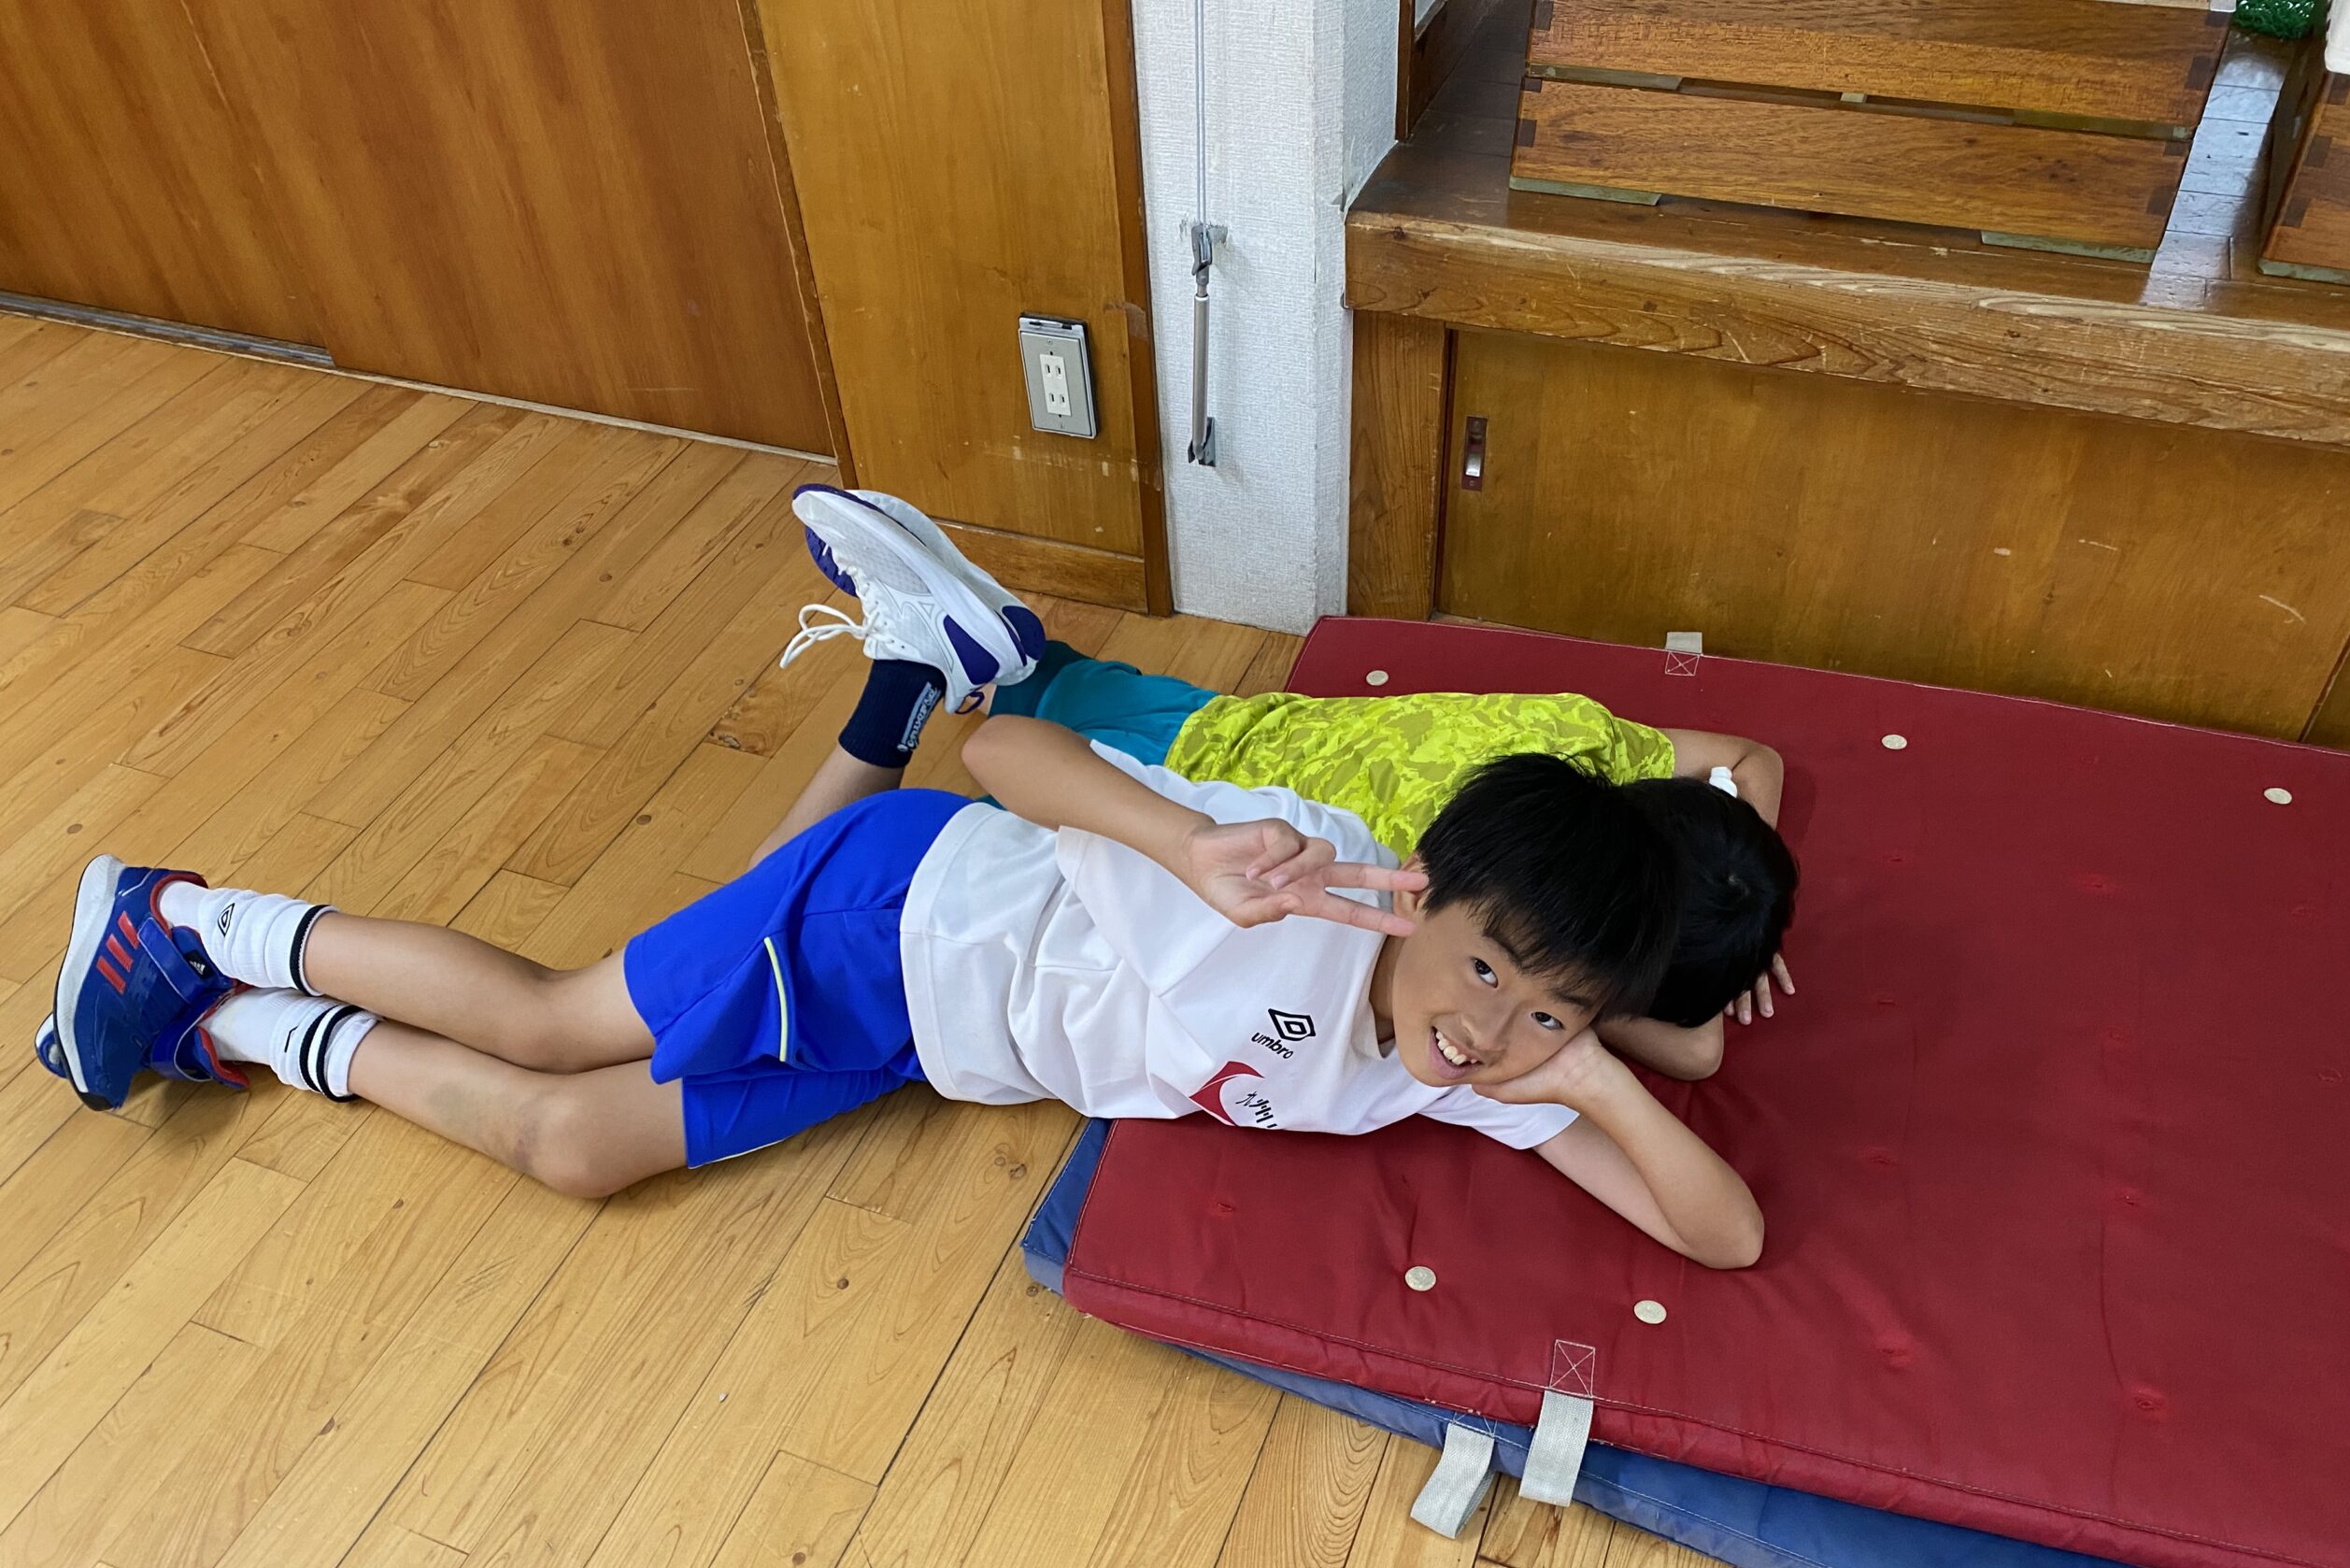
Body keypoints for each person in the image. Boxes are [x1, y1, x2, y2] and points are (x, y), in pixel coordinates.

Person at [38, 488, 1764, 1268]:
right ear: (1426, 888)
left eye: (1546, 1015)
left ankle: (228, 1026)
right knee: (556, 1025)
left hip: (925, 1042)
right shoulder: (1302, 871)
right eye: (1488, 971)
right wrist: (1187, 847)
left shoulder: (1487, 1077)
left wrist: (1597, 1071)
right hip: (905, 907)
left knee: (574, 1152)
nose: (1489, 1029)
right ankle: (179, 917)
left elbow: (1727, 1238)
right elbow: (1006, 757)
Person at [765, 487, 1800, 1081]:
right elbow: (1698, 1054)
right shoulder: (1476, 893)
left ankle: (980, 657)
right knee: (778, 887)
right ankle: (902, 690)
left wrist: (1739, 885)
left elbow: (1756, 759)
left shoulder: (1583, 740)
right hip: (1168, 807)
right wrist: (1718, 956)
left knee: (1032, 702)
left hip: (1202, 717)